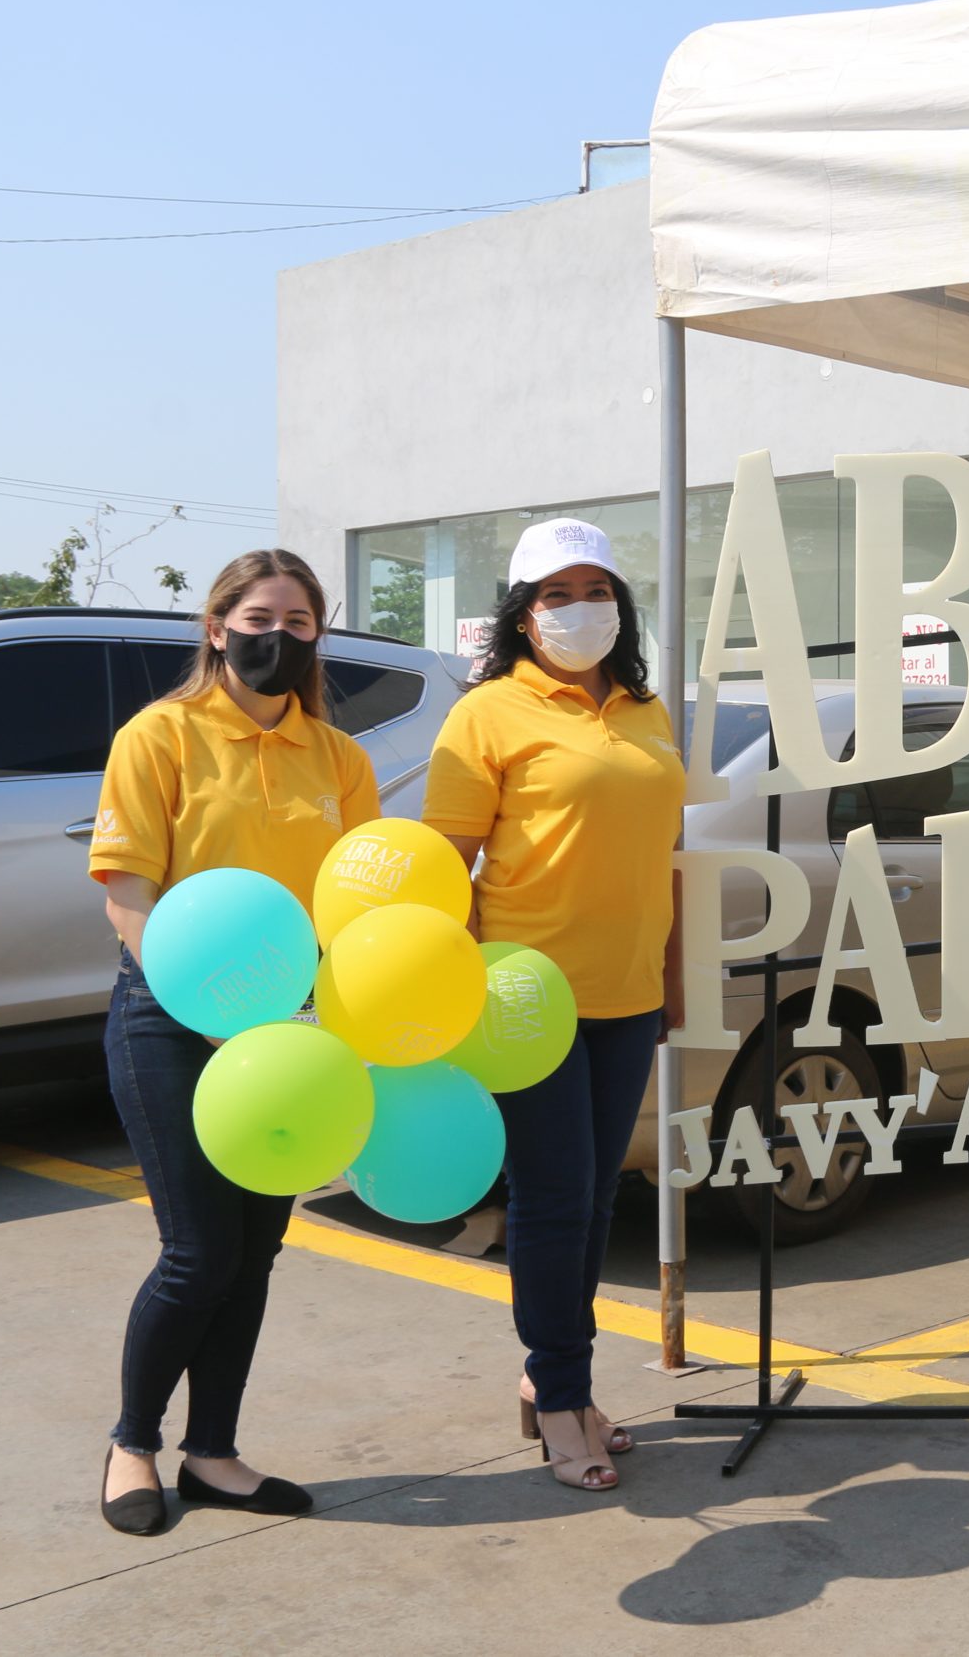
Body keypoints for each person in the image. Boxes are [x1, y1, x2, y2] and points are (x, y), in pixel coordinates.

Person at [88, 550, 381, 1535]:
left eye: (301, 624)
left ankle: (213, 1452)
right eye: (260, 618)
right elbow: (128, 890)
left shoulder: (339, 758)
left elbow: (364, 899)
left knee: (256, 1253)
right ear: (217, 628)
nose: (279, 638)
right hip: (169, 1019)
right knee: (198, 1252)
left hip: (291, 1033)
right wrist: (205, 1007)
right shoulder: (159, 736)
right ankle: (134, 1442)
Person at [424, 519, 684, 1493]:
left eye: (597, 590)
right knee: (553, 1197)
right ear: (524, 617)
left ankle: (554, 1382)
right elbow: (444, 863)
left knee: (598, 1195)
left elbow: (665, 859)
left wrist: (673, 981)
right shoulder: (487, 714)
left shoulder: (647, 710)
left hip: (627, 993)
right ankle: (563, 1398)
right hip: (525, 991)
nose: (582, 610)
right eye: (557, 595)